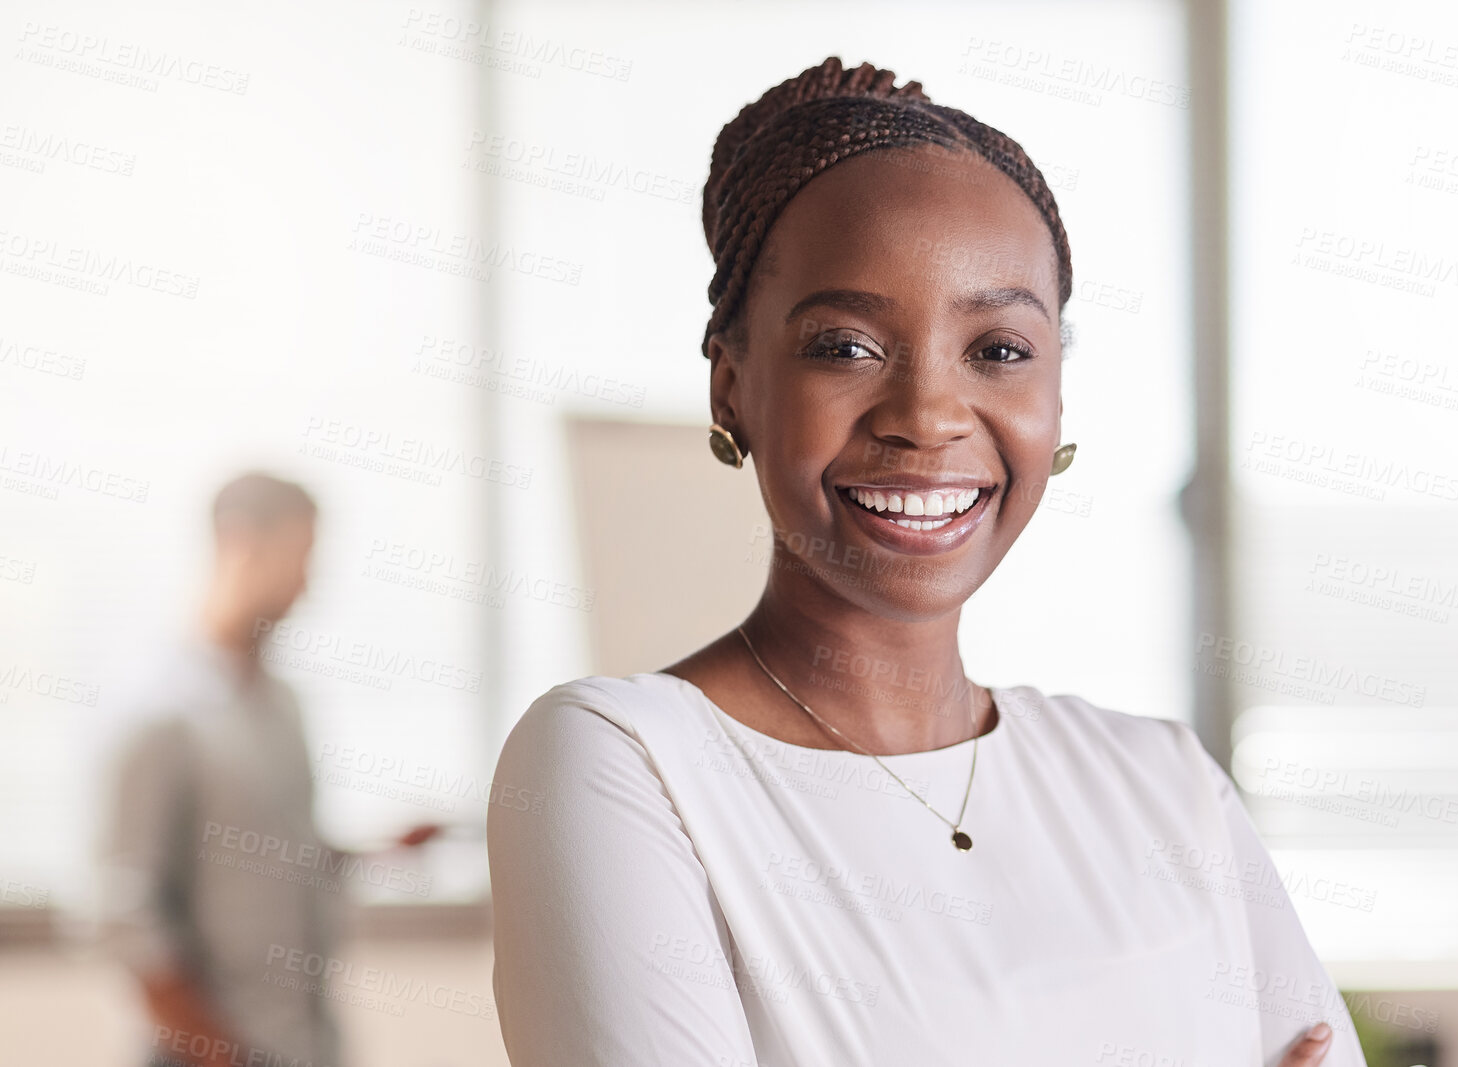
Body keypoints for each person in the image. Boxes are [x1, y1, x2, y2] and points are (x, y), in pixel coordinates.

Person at [486, 57, 1366, 1067]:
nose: (928, 417)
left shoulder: (1163, 782)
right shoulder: (623, 759)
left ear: (1058, 397)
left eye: (998, 349)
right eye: (847, 345)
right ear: (732, 386)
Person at [97, 472, 438, 1067]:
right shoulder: (158, 714)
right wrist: (223, 1055)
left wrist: (377, 852)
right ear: (241, 543)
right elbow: (125, 918)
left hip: (304, 1042)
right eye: (300, 558)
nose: (307, 585)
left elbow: (277, 856)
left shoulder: (282, 706)